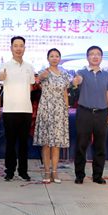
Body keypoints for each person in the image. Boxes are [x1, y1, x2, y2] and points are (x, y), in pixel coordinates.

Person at [73, 45, 108, 184]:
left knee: (100, 146)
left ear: (101, 57)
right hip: (84, 112)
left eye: (98, 54)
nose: (95, 56)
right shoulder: (82, 72)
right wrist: (76, 81)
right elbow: (78, 80)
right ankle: (79, 175)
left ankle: (97, 176)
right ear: (87, 57)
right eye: (92, 54)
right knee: (81, 145)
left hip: (102, 113)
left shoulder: (107, 75)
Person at [0, 36, 36, 182]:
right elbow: (0, 77)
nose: (18, 48)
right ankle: (10, 171)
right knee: (10, 143)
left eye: (21, 46)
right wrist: (1, 76)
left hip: (26, 110)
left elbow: (31, 86)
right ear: (11, 48)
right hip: (10, 110)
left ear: (24, 48)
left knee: (23, 143)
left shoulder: (29, 67)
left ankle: (23, 171)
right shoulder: (5, 65)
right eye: (16, 45)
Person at [34, 48, 71, 184]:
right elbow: (35, 82)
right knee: (46, 143)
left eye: (57, 56)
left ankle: (54, 172)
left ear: (60, 58)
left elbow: (65, 93)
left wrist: (66, 108)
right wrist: (40, 78)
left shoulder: (64, 74)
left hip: (59, 110)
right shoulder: (43, 72)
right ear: (48, 58)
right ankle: (46, 171)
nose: (54, 58)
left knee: (56, 143)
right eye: (52, 56)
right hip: (46, 109)